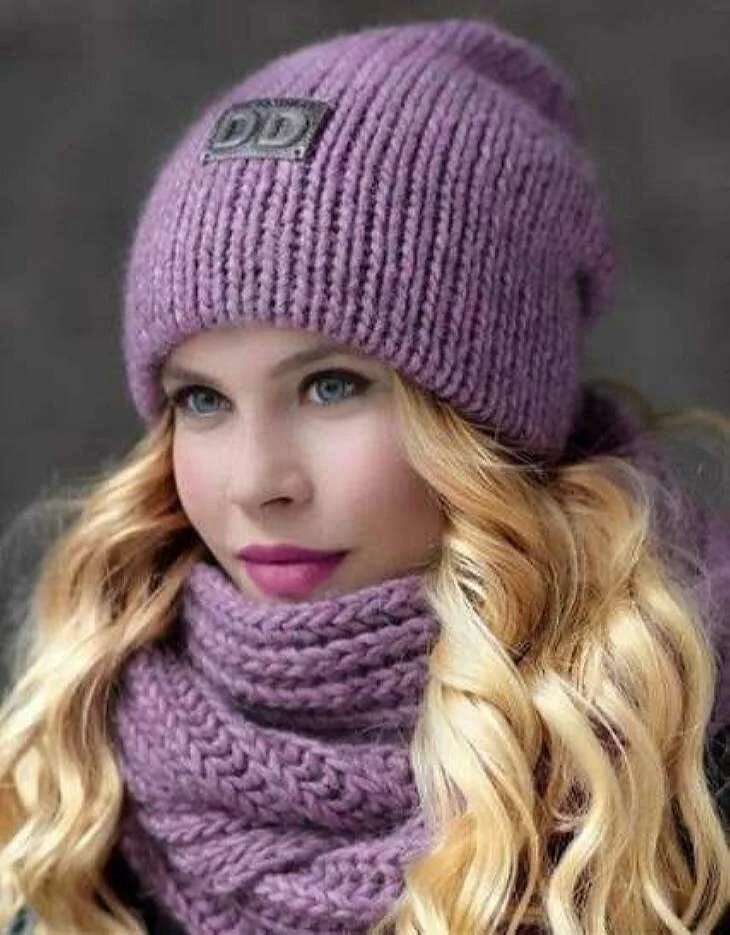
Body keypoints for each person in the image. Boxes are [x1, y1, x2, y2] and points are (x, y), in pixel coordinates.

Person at [1, 14, 728, 934]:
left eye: (332, 385)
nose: (257, 484)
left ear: (495, 413)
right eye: (203, 399)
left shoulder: (684, 775)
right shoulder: (71, 777)